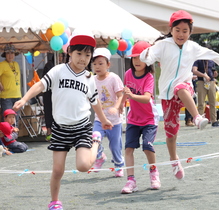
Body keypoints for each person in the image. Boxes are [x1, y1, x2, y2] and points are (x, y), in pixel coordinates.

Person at [13, 33, 113, 210]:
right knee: (58, 170)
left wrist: (103, 120)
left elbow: (95, 101)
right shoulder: (58, 71)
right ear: (70, 53)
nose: (83, 59)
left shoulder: (89, 78)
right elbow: (40, 85)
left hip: (82, 127)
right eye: (79, 54)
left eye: (87, 55)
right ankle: (54, 202)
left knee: (83, 166)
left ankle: (96, 142)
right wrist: (24, 98)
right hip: (60, 129)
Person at [140, 10, 219, 179]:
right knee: (171, 132)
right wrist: (146, 55)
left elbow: (211, 54)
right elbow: (149, 56)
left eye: (185, 31)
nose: (181, 34)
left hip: (184, 87)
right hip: (167, 94)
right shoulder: (163, 45)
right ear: (171, 29)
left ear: (190, 32)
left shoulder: (193, 47)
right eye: (178, 30)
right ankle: (174, 160)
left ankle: (196, 117)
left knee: (180, 87)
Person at [119, 41, 161, 193]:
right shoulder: (128, 74)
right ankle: (131, 181)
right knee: (129, 148)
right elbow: (125, 93)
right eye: (134, 58)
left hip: (149, 119)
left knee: (147, 147)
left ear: (148, 60)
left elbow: (146, 98)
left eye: (140, 58)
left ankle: (154, 174)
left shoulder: (149, 77)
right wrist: (120, 106)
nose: (137, 61)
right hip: (133, 119)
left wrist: (131, 95)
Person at [91, 48, 125, 177]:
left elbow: (120, 96)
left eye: (101, 63)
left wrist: (116, 107)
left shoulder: (113, 78)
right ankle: (99, 157)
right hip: (100, 119)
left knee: (115, 147)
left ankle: (119, 165)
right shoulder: (92, 80)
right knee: (94, 137)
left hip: (114, 121)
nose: (97, 67)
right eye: (94, 64)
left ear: (108, 64)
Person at [192, 57, 219, 127]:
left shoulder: (211, 61)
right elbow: (194, 71)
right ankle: (199, 121)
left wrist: (215, 74)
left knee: (212, 102)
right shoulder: (198, 60)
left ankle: (214, 120)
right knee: (201, 102)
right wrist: (203, 75)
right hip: (201, 81)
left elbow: (213, 71)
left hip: (211, 82)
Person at [42, 53, 65, 141]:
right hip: (49, 93)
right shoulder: (49, 65)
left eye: (61, 56)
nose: (60, 57)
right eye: (58, 56)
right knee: (49, 111)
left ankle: (58, 132)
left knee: (58, 111)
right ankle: (49, 131)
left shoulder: (63, 66)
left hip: (59, 93)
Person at [0, 44, 21, 123]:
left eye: (12, 53)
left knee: (16, 119)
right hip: (6, 97)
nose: (10, 55)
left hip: (17, 95)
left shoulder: (16, 64)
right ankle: (6, 135)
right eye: (8, 53)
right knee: (8, 119)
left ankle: (15, 135)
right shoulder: (2, 65)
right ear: (5, 55)